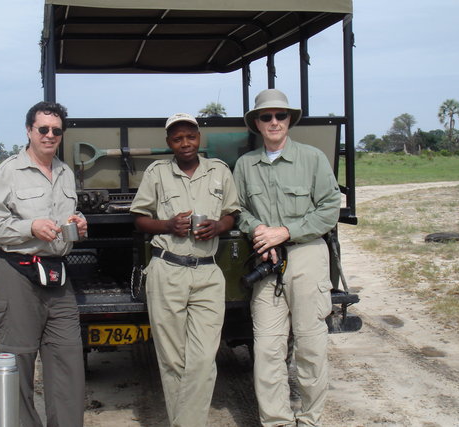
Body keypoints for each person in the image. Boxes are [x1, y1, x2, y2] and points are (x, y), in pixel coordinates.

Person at [233, 89, 341, 427]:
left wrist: (286, 232)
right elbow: (239, 211)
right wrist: (259, 230)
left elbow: (329, 209)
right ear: (257, 124)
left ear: (289, 120)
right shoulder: (245, 165)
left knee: (310, 345)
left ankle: (309, 419)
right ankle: (276, 421)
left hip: (307, 256)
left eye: (280, 116)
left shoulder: (312, 158)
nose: (274, 122)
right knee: (266, 349)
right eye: (266, 117)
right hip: (267, 262)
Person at [0, 101, 86, 427]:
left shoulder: (66, 172)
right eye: (43, 129)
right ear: (29, 131)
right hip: (16, 272)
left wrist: (78, 223)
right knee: (19, 361)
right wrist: (30, 227)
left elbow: (66, 217)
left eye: (56, 130)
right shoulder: (9, 171)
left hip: (56, 273)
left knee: (68, 359)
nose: (50, 135)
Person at [129, 113, 240, 426]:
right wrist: (167, 224)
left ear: (198, 138)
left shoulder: (219, 171)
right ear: (169, 143)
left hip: (207, 272)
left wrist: (218, 226)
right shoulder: (157, 172)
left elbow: (232, 213)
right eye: (177, 139)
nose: (185, 143)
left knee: (204, 359)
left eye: (190, 136)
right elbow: (139, 218)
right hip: (168, 269)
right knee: (172, 359)